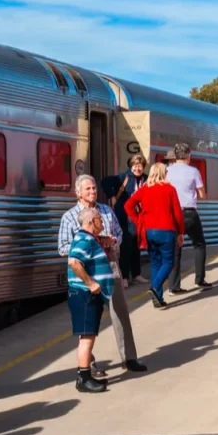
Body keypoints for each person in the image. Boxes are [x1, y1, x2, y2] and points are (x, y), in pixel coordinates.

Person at [58, 175, 146, 374]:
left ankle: (129, 358)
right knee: (89, 319)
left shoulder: (106, 210)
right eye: (88, 189)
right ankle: (89, 363)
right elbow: (63, 248)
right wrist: (90, 243)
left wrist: (112, 240)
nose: (92, 192)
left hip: (109, 265)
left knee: (120, 312)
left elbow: (120, 234)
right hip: (86, 270)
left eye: (94, 188)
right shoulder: (69, 217)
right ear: (78, 192)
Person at [124, 162, 185, 308]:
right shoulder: (170, 189)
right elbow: (177, 214)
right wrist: (181, 232)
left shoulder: (145, 189)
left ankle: (158, 298)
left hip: (149, 232)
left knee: (156, 263)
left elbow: (128, 205)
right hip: (167, 231)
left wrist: (139, 221)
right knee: (168, 262)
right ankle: (155, 287)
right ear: (164, 173)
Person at [66, 206, 112, 393]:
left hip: (86, 295)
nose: (102, 221)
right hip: (84, 294)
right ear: (92, 222)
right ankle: (83, 379)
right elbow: (74, 261)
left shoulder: (90, 239)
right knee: (86, 338)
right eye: (100, 218)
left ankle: (85, 376)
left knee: (89, 336)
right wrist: (91, 283)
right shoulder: (85, 240)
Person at [167, 143, 211, 292]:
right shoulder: (193, 171)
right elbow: (202, 194)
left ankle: (174, 286)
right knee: (199, 244)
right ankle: (199, 279)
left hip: (172, 214)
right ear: (188, 156)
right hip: (189, 213)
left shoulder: (166, 171)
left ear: (175, 156)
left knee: (175, 249)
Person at [115, 155, 149, 285]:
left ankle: (136, 274)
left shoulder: (146, 179)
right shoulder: (124, 176)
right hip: (126, 216)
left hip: (139, 215)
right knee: (126, 246)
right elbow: (106, 182)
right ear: (131, 166)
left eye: (140, 165)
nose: (138, 168)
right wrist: (113, 195)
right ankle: (124, 276)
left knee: (136, 246)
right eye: (135, 165)